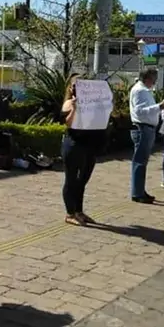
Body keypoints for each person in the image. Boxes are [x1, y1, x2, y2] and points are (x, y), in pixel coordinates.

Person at [60, 74, 103, 226]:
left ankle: (79, 211)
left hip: (88, 144)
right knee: (71, 179)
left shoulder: (91, 103)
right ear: (71, 88)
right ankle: (70, 213)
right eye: (76, 87)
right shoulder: (69, 103)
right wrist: (75, 108)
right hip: (73, 144)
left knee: (82, 180)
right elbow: (68, 123)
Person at [129, 68, 164, 204]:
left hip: (147, 128)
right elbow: (139, 112)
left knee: (142, 161)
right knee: (140, 161)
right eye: (153, 79)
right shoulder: (140, 91)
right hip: (142, 128)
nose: (155, 82)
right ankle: (137, 192)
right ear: (147, 78)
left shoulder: (145, 91)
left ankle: (139, 190)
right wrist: (160, 106)